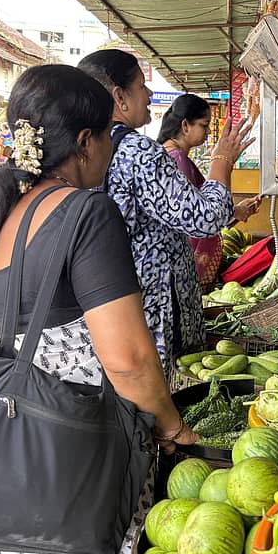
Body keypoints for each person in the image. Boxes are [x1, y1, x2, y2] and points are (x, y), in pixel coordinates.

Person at [0, 64, 197, 554]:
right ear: (84, 141)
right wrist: (174, 430)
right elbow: (130, 362)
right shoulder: (86, 214)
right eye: (107, 136)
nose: (112, 149)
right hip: (67, 481)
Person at [77, 49, 253, 377]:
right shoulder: (138, 151)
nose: (149, 94)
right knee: (158, 395)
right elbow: (204, 219)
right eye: (142, 86)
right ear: (120, 97)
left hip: (113, 296)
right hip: (153, 303)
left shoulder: (89, 148)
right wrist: (222, 160)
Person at [156, 93, 262, 292]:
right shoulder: (177, 159)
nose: (207, 132)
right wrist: (223, 159)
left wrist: (236, 211)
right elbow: (200, 218)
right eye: (204, 126)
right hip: (184, 271)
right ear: (185, 125)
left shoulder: (170, 156)